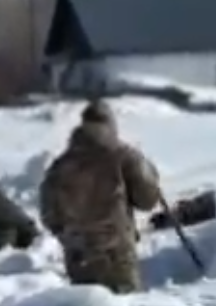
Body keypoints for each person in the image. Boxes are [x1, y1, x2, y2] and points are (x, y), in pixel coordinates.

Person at [39, 99, 163, 293]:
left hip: (78, 254)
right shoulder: (123, 155)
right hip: (116, 253)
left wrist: (69, 235)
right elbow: (147, 200)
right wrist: (149, 173)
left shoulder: (61, 164)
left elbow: (48, 213)